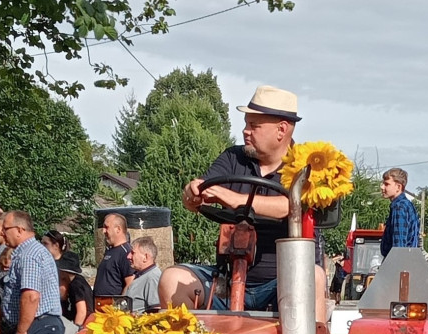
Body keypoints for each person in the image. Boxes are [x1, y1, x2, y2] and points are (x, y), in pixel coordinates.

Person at [158, 85, 327, 319]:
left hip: (282, 281)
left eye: (254, 125)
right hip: (226, 280)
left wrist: (233, 199)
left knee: (314, 277)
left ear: (281, 129)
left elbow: (291, 207)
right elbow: (205, 187)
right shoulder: (233, 157)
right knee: (171, 279)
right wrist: (192, 192)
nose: (245, 131)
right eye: (246, 124)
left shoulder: (308, 167)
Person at [379, 168, 420, 258]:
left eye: (386, 184)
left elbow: (399, 246)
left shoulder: (399, 207)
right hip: (409, 259)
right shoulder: (408, 205)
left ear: (398, 187)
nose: (382, 187)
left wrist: (396, 267)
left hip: (398, 263)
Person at [93, 214, 134, 298]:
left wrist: (119, 305)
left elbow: (130, 284)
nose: (103, 231)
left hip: (112, 309)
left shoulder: (126, 253)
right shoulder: (110, 251)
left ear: (118, 229)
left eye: (106, 227)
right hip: (100, 307)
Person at [125, 236, 162, 312]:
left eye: (132, 253)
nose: (128, 256)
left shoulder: (152, 277)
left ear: (145, 257)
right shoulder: (141, 275)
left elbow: (156, 312)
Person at [57, 251, 93, 326]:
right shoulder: (79, 280)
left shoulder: (75, 285)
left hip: (84, 323)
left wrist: (76, 329)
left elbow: (82, 311)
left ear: (64, 271)